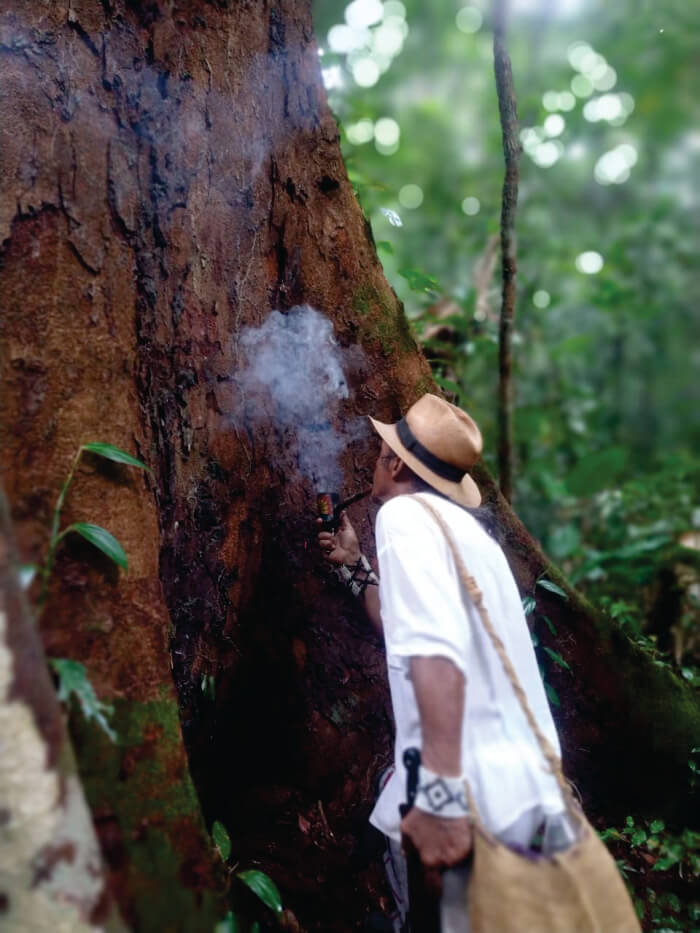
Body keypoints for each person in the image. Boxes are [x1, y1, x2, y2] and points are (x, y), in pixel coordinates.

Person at [318, 394, 575, 933]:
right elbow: (407, 623)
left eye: (383, 450)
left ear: (394, 464)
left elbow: (434, 654)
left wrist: (437, 798)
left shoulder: (403, 517)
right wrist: (355, 566)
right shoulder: (471, 537)